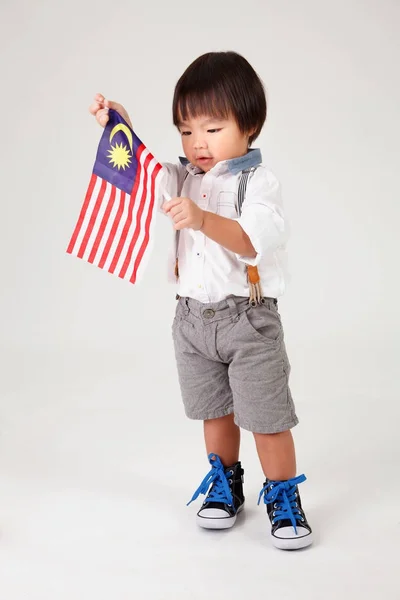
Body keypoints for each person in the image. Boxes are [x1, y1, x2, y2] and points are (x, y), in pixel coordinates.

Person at [89, 51, 313, 550]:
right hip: (192, 322)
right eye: (187, 130)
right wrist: (118, 127)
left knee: (266, 417)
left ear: (249, 125)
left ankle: (283, 494)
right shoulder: (183, 175)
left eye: (212, 129)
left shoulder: (258, 182)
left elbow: (253, 239)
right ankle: (225, 482)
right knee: (215, 412)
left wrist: (202, 219)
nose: (197, 143)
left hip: (248, 321)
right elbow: (144, 171)